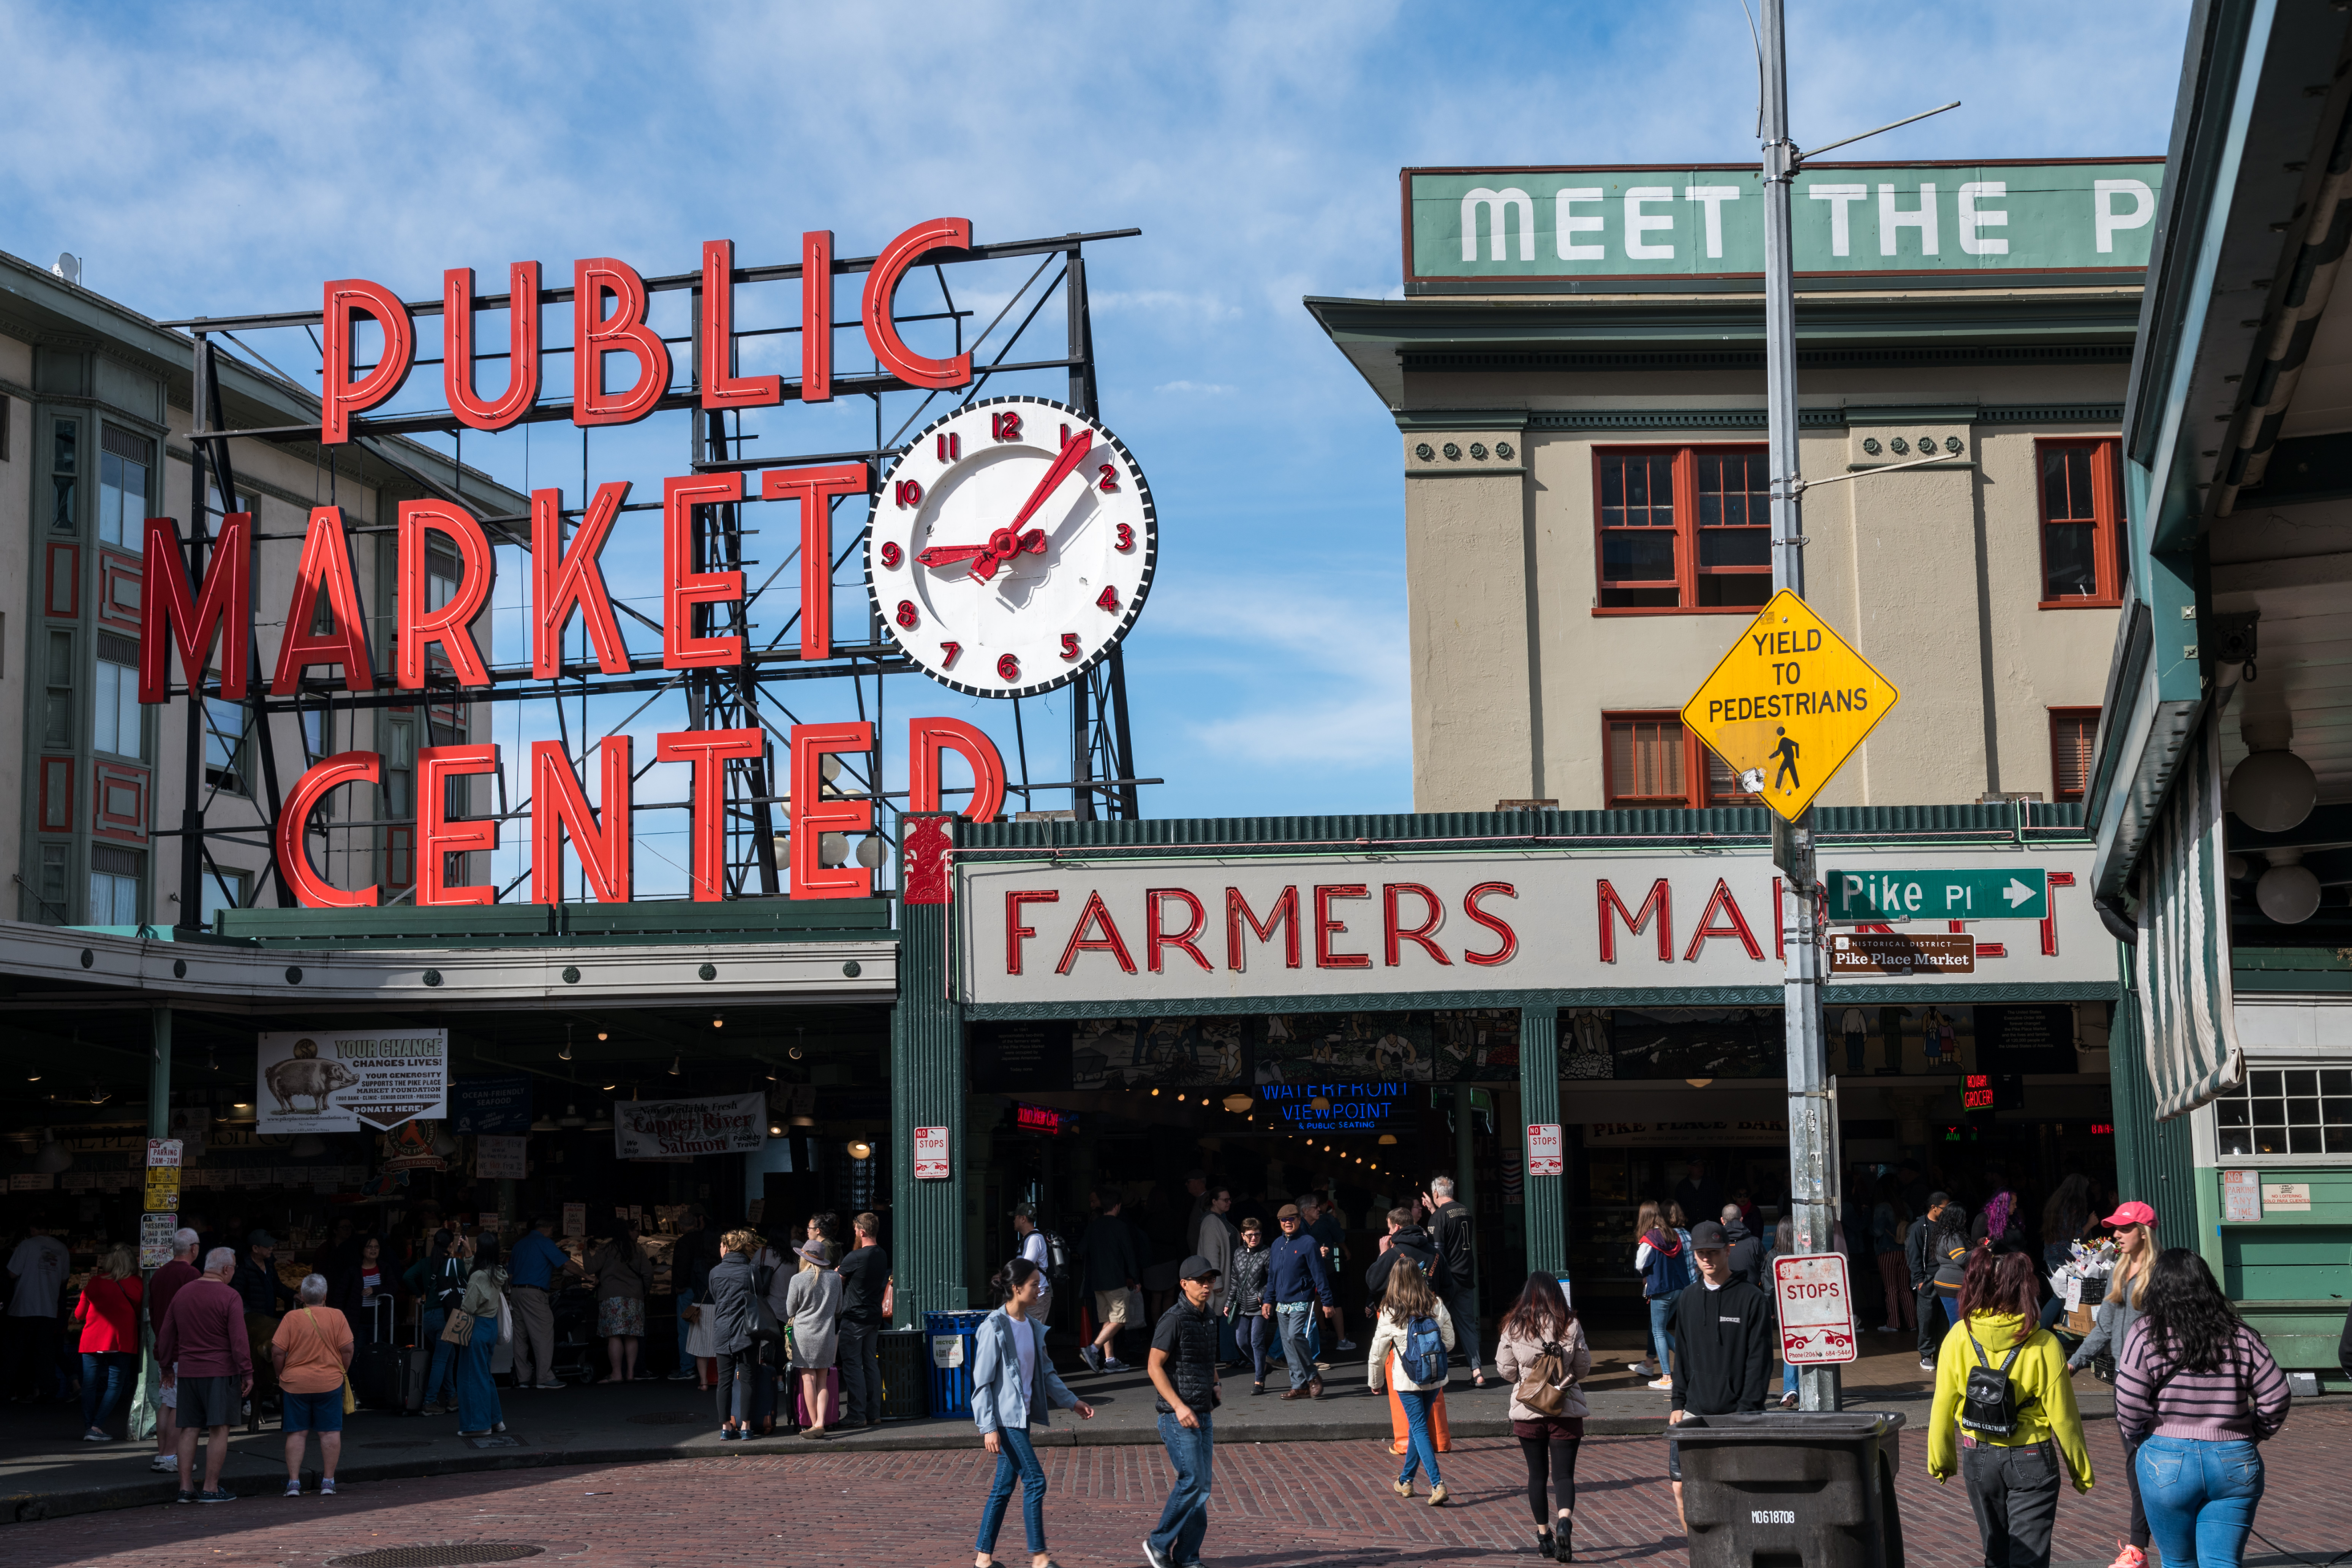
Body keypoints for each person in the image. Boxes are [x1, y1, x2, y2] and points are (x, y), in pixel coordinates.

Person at [2115, 1249, 2289, 1568]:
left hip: (2165, 1459)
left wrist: (2143, 1438)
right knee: (2222, 1562)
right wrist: (2253, 1431)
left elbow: (2128, 1401)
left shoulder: (2146, 1333)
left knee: (2178, 1562)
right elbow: (2276, 1394)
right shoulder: (2239, 1334)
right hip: (2234, 1458)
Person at [1927, 1242, 2094, 1568]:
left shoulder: (1959, 1336)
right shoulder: (2043, 1342)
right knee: (2029, 1558)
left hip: (1978, 1455)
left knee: (1995, 1551)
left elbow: (1943, 1403)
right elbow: (2063, 1415)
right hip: (2031, 1455)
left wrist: (1941, 1460)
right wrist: (2080, 1470)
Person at [971, 1257, 1094, 1568]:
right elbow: (981, 1383)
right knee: (1036, 1481)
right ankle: (1039, 1557)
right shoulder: (994, 1327)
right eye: (1035, 1284)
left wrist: (1072, 1401)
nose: (1040, 1289)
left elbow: (1048, 1373)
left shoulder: (1033, 1326)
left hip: (1022, 1418)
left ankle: (983, 1560)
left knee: (1003, 1488)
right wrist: (988, 1427)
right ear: (1016, 1288)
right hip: (1005, 1420)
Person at [1666, 1220, 1776, 1530]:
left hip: (1737, 1415)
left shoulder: (1751, 1299)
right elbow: (1683, 1356)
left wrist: (1746, 1410)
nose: (1707, 1259)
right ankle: (1699, 1555)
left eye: (1714, 1252)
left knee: (1733, 1493)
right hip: (1694, 1411)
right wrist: (1677, 1402)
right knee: (1681, 1488)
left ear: (1728, 1251)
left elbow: (1759, 1362)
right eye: (1701, 1253)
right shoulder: (1687, 1298)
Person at [2069, 1203, 2158, 1568]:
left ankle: (2148, 1545)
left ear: (2144, 1232)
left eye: (2123, 1229)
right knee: (2137, 1463)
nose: (2116, 1235)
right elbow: (2104, 1328)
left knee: (2159, 1463)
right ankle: (2139, 1548)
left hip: (2158, 1383)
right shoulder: (2118, 1272)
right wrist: (2074, 1362)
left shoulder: (2162, 1274)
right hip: (2125, 1383)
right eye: (2114, 1229)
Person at [1494, 1271, 1592, 1562]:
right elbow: (1583, 1367)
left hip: (1528, 1411)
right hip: (1565, 1407)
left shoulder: (1514, 1326)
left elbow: (1505, 1369)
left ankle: (1544, 1537)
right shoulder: (1570, 1324)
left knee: (1537, 1476)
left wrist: (1527, 1377)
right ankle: (1564, 1520)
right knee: (1564, 1475)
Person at [1143, 1255, 1223, 1568]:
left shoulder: (1210, 1316)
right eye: (1200, 1280)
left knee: (1201, 1487)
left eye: (1210, 1280)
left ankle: (1188, 1557)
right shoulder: (1173, 1319)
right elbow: (1153, 1366)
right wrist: (1178, 1406)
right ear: (1184, 1284)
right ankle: (1159, 1542)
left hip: (1203, 1412)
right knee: (1192, 1481)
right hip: (1177, 1417)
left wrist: (1215, 1383)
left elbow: (1207, 1357)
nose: (1206, 1285)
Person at [158, 1247, 253, 1504]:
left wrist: (167, 1366)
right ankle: (211, 1488)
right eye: (233, 1267)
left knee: (189, 1428)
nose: (234, 1272)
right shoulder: (230, 1296)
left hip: (188, 1371)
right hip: (221, 1371)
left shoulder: (183, 1294)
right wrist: (248, 1372)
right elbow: (239, 1340)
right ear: (226, 1269)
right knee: (219, 1429)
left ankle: (186, 1488)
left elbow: (166, 1334)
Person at [1367, 1243, 1455, 1505]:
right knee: (1421, 1430)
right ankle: (1405, 1481)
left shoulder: (1391, 1311)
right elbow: (1449, 1342)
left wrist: (1375, 1382)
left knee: (1418, 1428)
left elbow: (1378, 1351)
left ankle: (1437, 1484)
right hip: (1435, 1375)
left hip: (1406, 1379)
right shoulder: (1435, 1303)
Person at [268, 1274, 353, 1496]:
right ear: (325, 1296)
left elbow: (277, 1351)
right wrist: (341, 1371)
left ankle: (294, 1483)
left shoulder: (291, 1318)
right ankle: (328, 1482)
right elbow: (348, 1349)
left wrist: (281, 1375)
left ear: (303, 1297)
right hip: (329, 1382)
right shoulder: (337, 1316)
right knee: (329, 1432)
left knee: (297, 1434)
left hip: (295, 1384)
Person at [1265, 1203, 1340, 1400]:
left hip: (1301, 1298)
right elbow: (1272, 1276)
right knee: (1288, 1344)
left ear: (1299, 1220)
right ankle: (1299, 1386)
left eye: (1292, 1219)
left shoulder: (1308, 1242)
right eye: (1284, 1220)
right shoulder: (1276, 1245)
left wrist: (1327, 1301)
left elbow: (1319, 1274)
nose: (1288, 1222)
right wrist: (1268, 1300)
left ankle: (1313, 1376)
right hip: (1282, 1302)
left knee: (1295, 1336)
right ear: (1280, 1223)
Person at [73, 1242, 143, 1442]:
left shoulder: (95, 1282)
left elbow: (79, 1315)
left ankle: (89, 1427)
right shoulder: (137, 1283)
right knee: (115, 1386)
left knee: (89, 1386)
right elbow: (140, 1314)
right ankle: (97, 1426)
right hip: (121, 1341)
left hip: (92, 1340)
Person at [568, 1220, 652, 1383]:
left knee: (614, 1336)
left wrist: (585, 1250)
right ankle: (630, 1373)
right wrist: (644, 1291)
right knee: (632, 1336)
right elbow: (648, 1273)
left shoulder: (607, 1249)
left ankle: (616, 1374)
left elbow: (591, 1268)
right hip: (635, 1298)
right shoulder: (638, 1249)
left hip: (611, 1297)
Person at [147, 1229, 202, 1473]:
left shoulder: (158, 1275)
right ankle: (170, 1456)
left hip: (163, 1345)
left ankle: (163, 1455)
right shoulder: (191, 1274)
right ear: (194, 1249)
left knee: (167, 1402)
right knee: (181, 1402)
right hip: (183, 1348)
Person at [784, 1238, 844, 1438]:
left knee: (807, 1379)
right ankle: (820, 1423)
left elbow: (790, 1310)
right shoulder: (835, 1279)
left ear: (804, 1258)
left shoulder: (798, 1280)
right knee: (823, 1382)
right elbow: (838, 1309)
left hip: (804, 1334)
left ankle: (813, 1425)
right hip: (826, 1333)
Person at [1078, 1187, 1142, 1375]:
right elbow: (1130, 1254)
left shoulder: (1094, 1226)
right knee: (1120, 1320)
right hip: (1115, 1280)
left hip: (1098, 1283)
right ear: (1117, 1206)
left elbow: (1081, 1249)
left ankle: (1110, 1361)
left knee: (1108, 1321)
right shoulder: (1120, 1226)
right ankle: (1092, 1350)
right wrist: (1135, 1278)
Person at [5, 1222, 70, 1403]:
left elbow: (11, 1273)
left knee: (17, 1353)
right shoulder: (62, 1248)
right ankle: (48, 1391)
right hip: (49, 1308)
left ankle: (11, 1392)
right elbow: (65, 1278)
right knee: (45, 1353)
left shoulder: (26, 1245)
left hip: (23, 1308)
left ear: (32, 1229)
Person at [1424, 1176, 1481, 1385]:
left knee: (1434, 1325)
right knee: (1467, 1326)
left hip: (1448, 1280)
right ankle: (1478, 1372)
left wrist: (1432, 1284)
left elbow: (1437, 1253)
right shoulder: (1465, 1211)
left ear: (1436, 1193)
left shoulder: (1438, 1217)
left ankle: (1435, 1373)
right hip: (1466, 1277)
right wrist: (1434, 1211)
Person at [836, 1212, 890, 1428]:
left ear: (862, 1231)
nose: (855, 1233)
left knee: (852, 1365)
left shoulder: (855, 1257)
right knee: (871, 1364)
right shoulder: (882, 1254)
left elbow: (836, 1280)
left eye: (856, 1230)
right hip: (873, 1317)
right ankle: (874, 1413)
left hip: (855, 1317)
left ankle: (857, 1414)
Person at [1634, 1199, 1693, 1391]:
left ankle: (1667, 1377)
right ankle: (1691, 1365)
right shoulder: (1674, 1234)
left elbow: (1640, 1265)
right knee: (1660, 1329)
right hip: (1679, 1288)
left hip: (1661, 1289)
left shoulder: (1650, 1238)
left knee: (1658, 1331)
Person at [453, 1235, 508, 1437]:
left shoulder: (479, 1277)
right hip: (491, 1325)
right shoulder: (497, 1273)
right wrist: (468, 1253)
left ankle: (478, 1426)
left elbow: (468, 1305)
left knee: (470, 1376)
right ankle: (496, 1421)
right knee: (484, 1375)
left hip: (476, 1326)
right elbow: (475, 1272)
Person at [705, 1229, 758, 1439]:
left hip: (722, 1330)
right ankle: (746, 1426)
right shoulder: (751, 1271)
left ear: (726, 1248)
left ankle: (726, 1427)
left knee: (724, 1381)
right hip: (747, 1332)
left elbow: (715, 1296)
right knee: (748, 1380)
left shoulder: (715, 1272)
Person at [507, 1216, 570, 1390]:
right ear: (547, 1228)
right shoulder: (545, 1242)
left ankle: (523, 1378)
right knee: (543, 1332)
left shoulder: (519, 1245)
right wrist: (587, 1277)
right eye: (552, 1230)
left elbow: (510, 1276)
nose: (552, 1233)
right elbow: (566, 1264)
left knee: (520, 1336)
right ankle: (544, 1377)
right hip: (534, 1292)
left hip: (517, 1292)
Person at [415, 1230, 474, 1412]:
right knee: (441, 1360)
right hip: (446, 1316)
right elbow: (472, 1277)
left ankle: (451, 1397)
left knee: (449, 1356)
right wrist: (469, 1252)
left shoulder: (426, 1263)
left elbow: (408, 1276)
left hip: (428, 1318)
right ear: (451, 1245)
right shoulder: (454, 1263)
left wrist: (420, 1294)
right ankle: (430, 1402)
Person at [669, 1207, 720, 1381]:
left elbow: (683, 1267)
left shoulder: (684, 1242)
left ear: (681, 1226)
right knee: (710, 1335)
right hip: (710, 1297)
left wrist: (680, 1286)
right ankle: (711, 1374)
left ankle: (688, 1368)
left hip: (692, 1293)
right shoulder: (705, 1241)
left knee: (688, 1332)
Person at [1365, 1205, 1448, 1307]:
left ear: (1397, 1227)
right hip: (1431, 1316)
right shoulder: (1437, 1254)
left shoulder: (1392, 1254)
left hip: (1401, 1317)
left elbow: (1373, 1283)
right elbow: (1448, 1289)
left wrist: (1383, 1255)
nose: (1389, 1233)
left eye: (1390, 1228)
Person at [1300, 1192, 1351, 1354]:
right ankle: (1341, 1340)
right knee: (1331, 1301)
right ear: (1305, 1210)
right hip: (1323, 1267)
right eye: (1317, 1207)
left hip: (1312, 1270)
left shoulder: (1303, 1227)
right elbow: (1340, 1236)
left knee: (1314, 1303)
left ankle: (1316, 1340)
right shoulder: (1325, 1221)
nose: (1320, 1210)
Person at [1909, 1192, 1954, 1370]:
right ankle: (1926, 1355)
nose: (1948, 1212)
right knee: (1927, 1318)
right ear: (1934, 1208)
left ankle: (1941, 1354)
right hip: (1927, 1279)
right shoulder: (1920, 1227)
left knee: (1944, 1318)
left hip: (1945, 1277)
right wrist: (1919, 1279)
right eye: (1945, 1208)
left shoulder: (1947, 1227)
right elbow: (1913, 1255)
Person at [1227, 1217, 1272, 1393]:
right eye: (1251, 1235)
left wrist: (1262, 1295)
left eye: (1258, 1234)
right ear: (1243, 1236)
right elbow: (1234, 1280)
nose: (1254, 1238)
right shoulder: (1238, 1253)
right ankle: (1263, 1366)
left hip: (1260, 1306)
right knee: (1241, 1342)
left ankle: (1259, 1381)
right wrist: (1229, 1302)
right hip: (1242, 1305)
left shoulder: (1267, 1253)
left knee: (1256, 1342)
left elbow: (1272, 1280)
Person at [327, 1235, 395, 1346]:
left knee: (376, 1352)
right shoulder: (353, 1270)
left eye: (376, 1247)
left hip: (378, 1320)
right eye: (369, 1247)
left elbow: (393, 1287)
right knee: (357, 1351)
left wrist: (375, 1289)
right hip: (358, 1321)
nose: (373, 1249)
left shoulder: (384, 1268)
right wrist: (337, 1316)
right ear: (362, 1250)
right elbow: (341, 1294)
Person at [1873, 1174, 1916, 1335]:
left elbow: (1877, 1231)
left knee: (1891, 1289)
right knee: (1905, 1288)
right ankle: (1912, 1323)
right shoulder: (1904, 1206)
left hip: (1887, 1252)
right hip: (1904, 1251)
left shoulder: (1882, 1207)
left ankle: (1893, 1323)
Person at [1011, 1204, 1053, 1327]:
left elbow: (1026, 1267)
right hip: (1031, 1297)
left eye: (1015, 1217)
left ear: (1023, 1219)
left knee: (1035, 1340)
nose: (1014, 1221)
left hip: (1037, 1298)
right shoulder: (1028, 1239)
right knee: (1032, 1340)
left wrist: (1005, 1276)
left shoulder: (1034, 1239)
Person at [1673, 1160, 1725, 1236]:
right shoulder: (1682, 1186)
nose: (1701, 1168)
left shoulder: (1712, 1184)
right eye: (1697, 1166)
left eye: (1702, 1165)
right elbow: (1678, 1209)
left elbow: (1720, 1205)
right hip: (1690, 1230)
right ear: (1689, 1167)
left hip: (1710, 1229)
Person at [1719, 1203, 1762, 1288]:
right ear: (1741, 1219)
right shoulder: (1755, 1243)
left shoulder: (1717, 1245)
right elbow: (1765, 1271)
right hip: (1752, 1294)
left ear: (1722, 1221)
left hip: (1725, 1295)